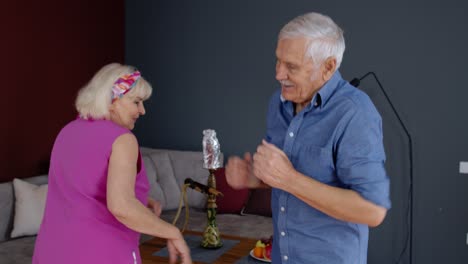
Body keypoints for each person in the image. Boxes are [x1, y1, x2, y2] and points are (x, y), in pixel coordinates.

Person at [226, 12, 391, 264]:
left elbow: (373, 210)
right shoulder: (278, 103)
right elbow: (290, 178)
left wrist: (289, 179)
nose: (279, 74)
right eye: (278, 61)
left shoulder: (355, 113)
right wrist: (258, 179)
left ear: (328, 67)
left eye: (291, 66)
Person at [33, 63, 192, 264]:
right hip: (102, 253)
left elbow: (83, 189)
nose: (142, 110)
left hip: (52, 251)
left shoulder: (67, 132)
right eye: (136, 102)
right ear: (112, 101)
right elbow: (121, 205)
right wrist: (172, 232)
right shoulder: (123, 139)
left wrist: (142, 199)